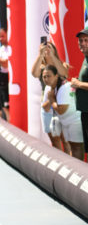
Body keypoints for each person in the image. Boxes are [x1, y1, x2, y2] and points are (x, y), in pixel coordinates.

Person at [30, 40, 70, 152]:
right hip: (47, 107)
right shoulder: (42, 67)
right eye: (45, 48)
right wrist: (40, 54)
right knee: (55, 141)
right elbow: (34, 73)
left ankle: (69, 164)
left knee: (65, 140)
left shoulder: (60, 64)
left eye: (49, 47)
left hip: (61, 105)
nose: (47, 49)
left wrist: (52, 55)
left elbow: (64, 73)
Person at [42, 64, 85, 160]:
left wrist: (52, 99)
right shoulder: (49, 88)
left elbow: (61, 110)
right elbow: (45, 107)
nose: (46, 79)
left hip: (75, 122)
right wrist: (51, 99)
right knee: (72, 147)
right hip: (67, 123)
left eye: (48, 76)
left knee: (76, 148)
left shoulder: (64, 88)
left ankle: (78, 171)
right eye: (44, 77)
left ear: (56, 76)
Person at [73, 28, 88, 159]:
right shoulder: (85, 58)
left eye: (86, 40)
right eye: (80, 40)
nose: (82, 43)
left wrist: (79, 84)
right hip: (85, 112)